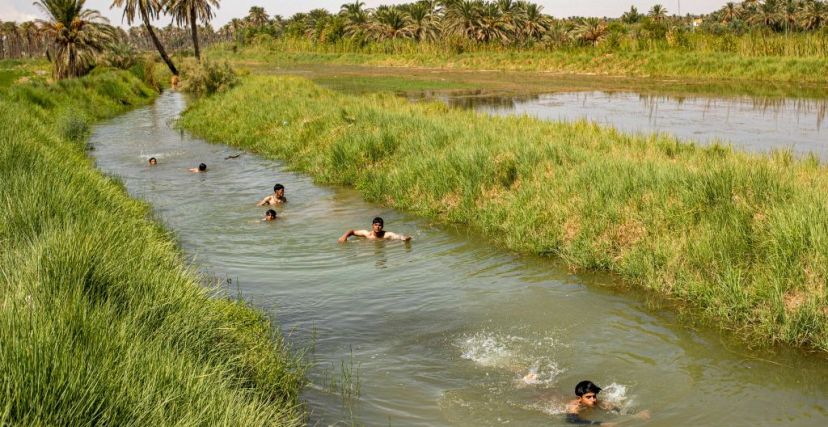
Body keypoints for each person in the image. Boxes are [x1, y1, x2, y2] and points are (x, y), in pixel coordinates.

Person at [566, 381, 649, 426]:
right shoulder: (574, 406)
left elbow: (618, 410)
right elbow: (572, 420)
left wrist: (636, 414)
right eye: (588, 397)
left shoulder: (599, 402)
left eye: (594, 396)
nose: (593, 400)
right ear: (580, 398)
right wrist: (600, 423)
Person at [338, 217, 411, 242]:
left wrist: (405, 238)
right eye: (375, 225)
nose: (377, 227)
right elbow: (352, 231)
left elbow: (399, 236)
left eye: (379, 225)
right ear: (372, 226)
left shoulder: (386, 235)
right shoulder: (367, 234)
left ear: (382, 227)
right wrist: (344, 237)